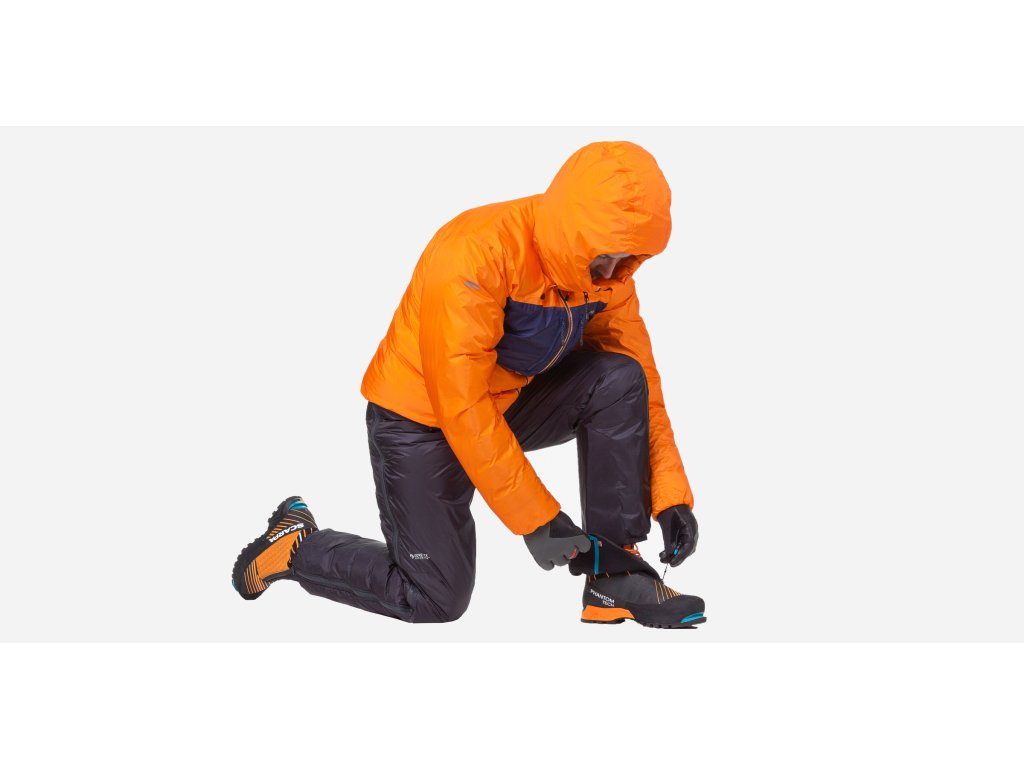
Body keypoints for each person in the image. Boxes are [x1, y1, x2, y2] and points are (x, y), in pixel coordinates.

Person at [231, 140, 705, 628]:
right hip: (420, 421)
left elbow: (642, 383)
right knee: (434, 597)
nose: (611, 273)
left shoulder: (606, 279)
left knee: (619, 378)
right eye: (604, 257)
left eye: (627, 260)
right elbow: (460, 400)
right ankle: (297, 546)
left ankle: (615, 578)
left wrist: (669, 495)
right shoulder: (475, 252)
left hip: (503, 406)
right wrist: (537, 518)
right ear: (574, 231)